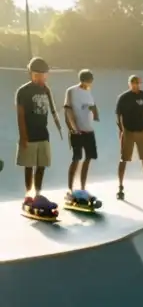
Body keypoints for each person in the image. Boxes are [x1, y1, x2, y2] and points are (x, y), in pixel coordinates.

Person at [15, 56, 62, 209]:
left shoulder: (45, 89)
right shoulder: (23, 91)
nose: (40, 78)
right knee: (29, 166)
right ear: (31, 74)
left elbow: (52, 110)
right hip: (29, 134)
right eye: (36, 75)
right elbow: (20, 115)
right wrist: (23, 136)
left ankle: (38, 194)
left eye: (42, 75)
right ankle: (28, 195)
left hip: (43, 134)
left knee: (41, 165)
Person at [115, 74, 143, 200]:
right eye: (133, 82)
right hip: (128, 131)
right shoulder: (123, 97)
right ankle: (120, 188)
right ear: (129, 83)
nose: (135, 85)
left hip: (141, 130)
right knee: (124, 159)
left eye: (138, 82)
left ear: (140, 83)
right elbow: (118, 115)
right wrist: (121, 130)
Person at [64, 69, 100, 200]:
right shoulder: (71, 91)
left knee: (89, 158)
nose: (88, 84)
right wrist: (73, 127)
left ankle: (83, 187)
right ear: (82, 80)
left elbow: (92, 106)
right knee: (76, 158)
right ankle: (70, 188)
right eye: (87, 82)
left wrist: (96, 113)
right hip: (77, 131)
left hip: (89, 130)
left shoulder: (89, 92)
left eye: (90, 82)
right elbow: (67, 110)